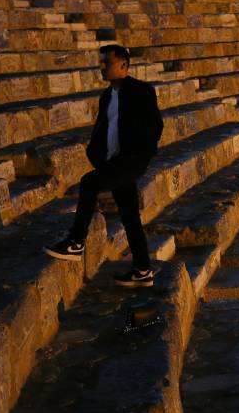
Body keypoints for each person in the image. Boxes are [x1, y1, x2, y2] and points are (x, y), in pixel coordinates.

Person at [45, 44, 164, 288]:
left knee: (89, 183)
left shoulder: (142, 91)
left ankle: (76, 242)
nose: (101, 67)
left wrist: (139, 155)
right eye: (100, 62)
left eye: (106, 63)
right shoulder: (107, 96)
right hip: (112, 161)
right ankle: (143, 270)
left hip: (131, 160)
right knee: (129, 215)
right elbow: (104, 129)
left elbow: (155, 127)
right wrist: (97, 155)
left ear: (123, 65)